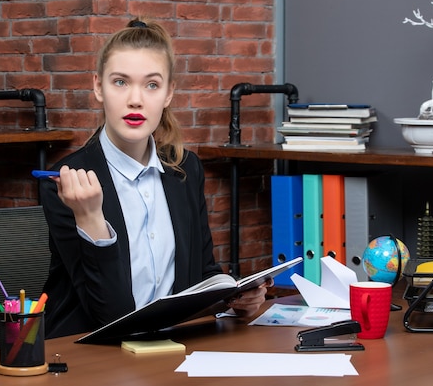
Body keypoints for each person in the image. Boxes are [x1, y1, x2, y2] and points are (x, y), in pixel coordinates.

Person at [39, 17, 269, 339]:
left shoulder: (185, 169)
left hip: (171, 348)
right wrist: (90, 217)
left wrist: (232, 299)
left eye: (152, 84)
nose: (136, 99)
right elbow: (109, 315)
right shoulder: (68, 182)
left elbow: (201, 274)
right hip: (89, 356)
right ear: (97, 87)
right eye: (120, 82)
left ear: (169, 93)